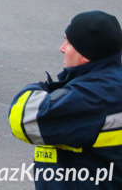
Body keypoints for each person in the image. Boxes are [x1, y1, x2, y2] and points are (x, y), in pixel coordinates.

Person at [8, 11, 122, 189]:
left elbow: (24, 120)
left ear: (85, 54)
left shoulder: (93, 95)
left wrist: (42, 88)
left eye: (68, 42)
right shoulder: (113, 83)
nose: (62, 48)